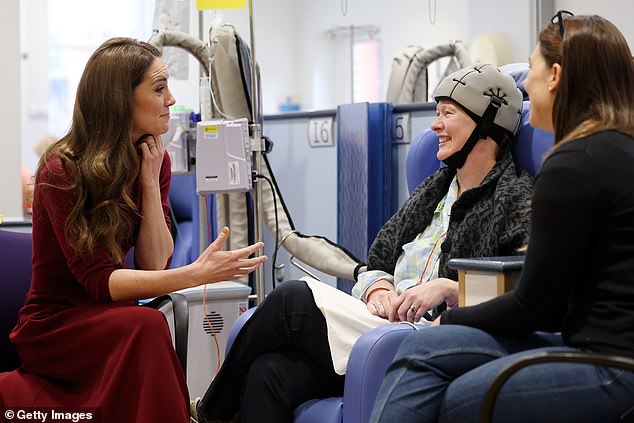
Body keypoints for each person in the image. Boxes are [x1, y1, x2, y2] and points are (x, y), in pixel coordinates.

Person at [191, 63, 533, 423]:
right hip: (379, 321)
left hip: (429, 333)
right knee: (268, 373)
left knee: (292, 299)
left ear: (488, 122)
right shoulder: (434, 190)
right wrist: (378, 288)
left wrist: (450, 288)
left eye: (448, 113)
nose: (435, 125)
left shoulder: (515, 198)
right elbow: (377, 260)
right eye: (436, 113)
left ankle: (210, 410)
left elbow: (519, 291)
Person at [370, 13, 634, 423]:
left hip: (609, 364)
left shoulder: (572, 164)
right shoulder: (618, 149)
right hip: (593, 344)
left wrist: (450, 317)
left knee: (448, 384)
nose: (526, 85)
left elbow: (536, 306)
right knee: (430, 357)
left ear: (556, 76)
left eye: (533, 70)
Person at [0, 37, 266, 422]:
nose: (171, 99)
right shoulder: (61, 169)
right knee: (148, 325)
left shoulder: (152, 160)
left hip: (118, 323)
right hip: (57, 329)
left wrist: (146, 178)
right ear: (120, 99)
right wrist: (194, 274)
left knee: (147, 324)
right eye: (159, 88)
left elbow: (154, 263)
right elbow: (97, 282)